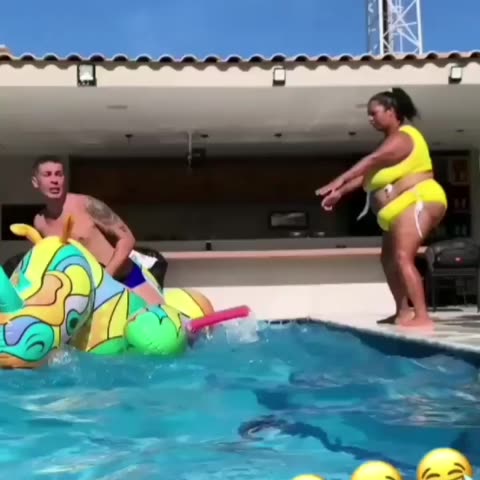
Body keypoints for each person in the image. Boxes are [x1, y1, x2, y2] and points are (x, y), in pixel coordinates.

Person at [315, 88, 447, 329]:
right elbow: (367, 176)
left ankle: (422, 316)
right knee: (388, 260)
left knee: (403, 257)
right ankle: (402, 312)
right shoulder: (389, 141)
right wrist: (341, 192)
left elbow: (372, 160)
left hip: (418, 199)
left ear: (391, 111)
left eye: (374, 113)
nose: (370, 118)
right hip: (396, 210)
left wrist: (337, 180)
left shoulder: (404, 137)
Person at [30, 155, 165, 305]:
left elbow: (127, 239)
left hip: (126, 279)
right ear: (35, 182)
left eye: (58, 174)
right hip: (86, 292)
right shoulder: (39, 222)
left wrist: (106, 278)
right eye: (47, 175)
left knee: (158, 315)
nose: (54, 180)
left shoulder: (86, 204)